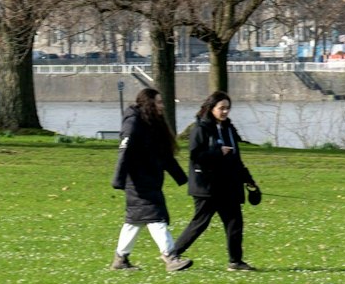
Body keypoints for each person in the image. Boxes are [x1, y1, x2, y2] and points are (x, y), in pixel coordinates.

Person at [172, 90, 262, 271]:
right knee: (200, 223)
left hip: (228, 185)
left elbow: (235, 159)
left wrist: (249, 180)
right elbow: (195, 156)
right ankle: (172, 254)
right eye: (221, 108)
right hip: (207, 186)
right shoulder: (200, 128)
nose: (225, 112)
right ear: (211, 108)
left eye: (228, 108)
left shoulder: (229, 129)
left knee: (235, 222)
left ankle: (235, 261)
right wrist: (217, 153)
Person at [109, 87, 192, 272]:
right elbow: (125, 150)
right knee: (156, 218)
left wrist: (182, 178)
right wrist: (119, 179)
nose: (162, 106)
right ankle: (170, 257)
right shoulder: (134, 121)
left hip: (150, 180)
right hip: (137, 181)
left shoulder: (153, 123)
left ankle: (120, 259)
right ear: (149, 103)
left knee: (134, 222)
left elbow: (164, 155)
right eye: (159, 102)